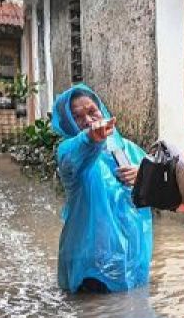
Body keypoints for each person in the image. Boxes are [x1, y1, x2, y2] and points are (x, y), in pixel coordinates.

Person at [52, 84, 153, 293]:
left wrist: (142, 175)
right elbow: (74, 156)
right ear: (68, 123)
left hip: (131, 258)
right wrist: (90, 138)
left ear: (101, 110)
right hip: (90, 263)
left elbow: (159, 184)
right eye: (78, 117)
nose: (88, 120)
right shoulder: (69, 152)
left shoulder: (127, 149)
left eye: (92, 111)